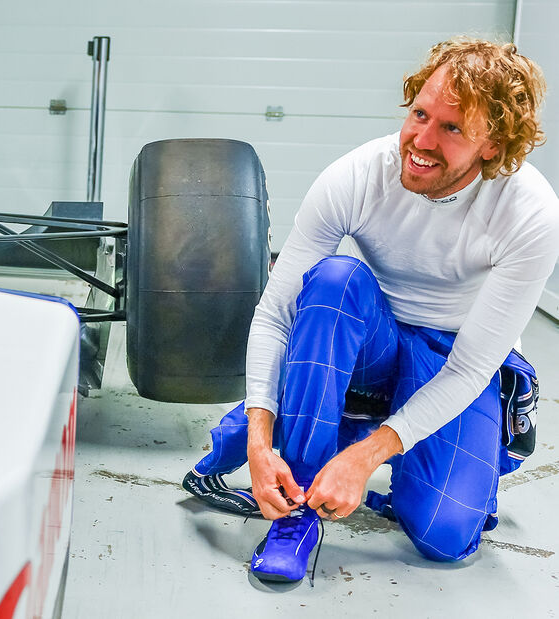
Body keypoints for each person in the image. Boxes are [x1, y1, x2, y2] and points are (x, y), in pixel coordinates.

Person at [181, 37, 559, 584]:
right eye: (420, 113)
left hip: (452, 355)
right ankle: (297, 518)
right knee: (335, 282)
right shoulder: (359, 175)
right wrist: (262, 445)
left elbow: (472, 369)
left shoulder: (530, 214)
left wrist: (366, 458)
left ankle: (350, 435)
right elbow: (274, 315)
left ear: (493, 146)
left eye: (452, 128)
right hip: (373, 341)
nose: (421, 141)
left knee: (447, 537)